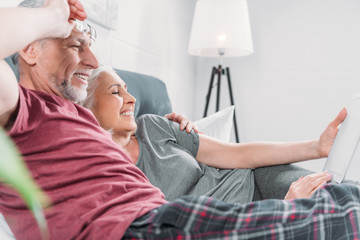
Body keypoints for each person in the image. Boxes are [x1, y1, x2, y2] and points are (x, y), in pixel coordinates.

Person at [0, 1, 359, 239]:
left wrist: (316, 146)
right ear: (29, 48)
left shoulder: (85, 122)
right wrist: (51, 14)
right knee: (342, 215)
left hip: (164, 218)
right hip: (144, 228)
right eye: (74, 43)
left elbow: (233, 153)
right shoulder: (23, 110)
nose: (92, 60)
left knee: (347, 198)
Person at [82, 66, 337, 203]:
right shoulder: (104, 174)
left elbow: (239, 154)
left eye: (128, 90)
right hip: (235, 223)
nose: (132, 99)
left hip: (256, 181)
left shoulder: (153, 126)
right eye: (116, 92)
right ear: (87, 108)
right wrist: (282, 213)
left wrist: (317, 147)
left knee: (339, 197)